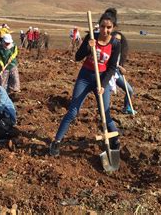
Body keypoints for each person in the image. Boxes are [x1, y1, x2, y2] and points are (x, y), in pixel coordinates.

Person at [49, 8, 122, 156]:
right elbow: (77, 57)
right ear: (98, 25)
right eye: (102, 26)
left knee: (105, 114)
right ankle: (56, 142)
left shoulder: (115, 44)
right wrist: (88, 47)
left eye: (109, 27)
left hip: (102, 79)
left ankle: (115, 138)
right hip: (85, 76)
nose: (105, 30)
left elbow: (112, 67)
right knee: (73, 111)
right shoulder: (92, 37)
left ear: (113, 28)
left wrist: (103, 84)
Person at [112, 31, 136, 114]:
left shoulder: (119, 51)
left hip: (116, 73)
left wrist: (119, 67)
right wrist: (119, 67)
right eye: (115, 39)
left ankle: (126, 108)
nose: (117, 41)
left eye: (119, 40)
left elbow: (117, 63)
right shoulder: (108, 48)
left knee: (130, 90)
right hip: (108, 73)